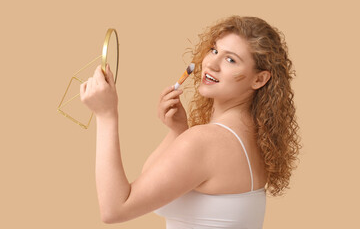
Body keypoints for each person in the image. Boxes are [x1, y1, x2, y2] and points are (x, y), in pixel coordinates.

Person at [80, 15, 301, 229]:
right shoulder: (253, 139)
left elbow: (115, 209)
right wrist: (178, 131)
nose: (211, 63)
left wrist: (106, 115)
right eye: (214, 50)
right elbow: (149, 183)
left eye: (230, 59)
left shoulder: (206, 142)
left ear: (259, 79)